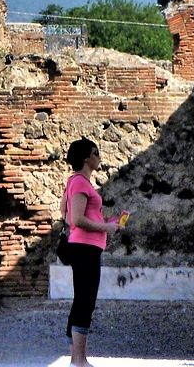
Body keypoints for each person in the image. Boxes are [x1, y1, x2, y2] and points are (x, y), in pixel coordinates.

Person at [60, 138, 123, 367]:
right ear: (87, 157)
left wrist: (107, 222)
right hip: (85, 249)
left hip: (86, 247)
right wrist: (105, 227)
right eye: (96, 152)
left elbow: (67, 215)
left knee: (82, 300)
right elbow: (75, 219)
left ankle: (76, 358)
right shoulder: (80, 183)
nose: (99, 157)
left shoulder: (75, 182)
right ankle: (79, 360)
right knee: (85, 302)